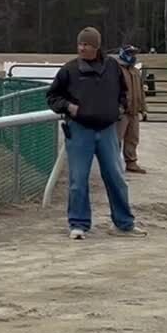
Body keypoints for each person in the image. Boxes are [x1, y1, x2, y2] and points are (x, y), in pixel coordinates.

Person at [46, 27, 145, 240]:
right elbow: (52, 97)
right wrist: (69, 107)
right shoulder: (69, 70)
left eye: (86, 44)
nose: (82, 48)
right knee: (78, 180)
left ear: (96, 46)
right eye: (80, 44)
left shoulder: (112, 67)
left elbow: (123, 92)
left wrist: (119, 108)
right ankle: (78, 224)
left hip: (108, 130)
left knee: (116, 177)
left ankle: (124, 223)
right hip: (80, 129)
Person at [117, 44, 147, 174]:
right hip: (121, 111)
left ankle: (131, 162)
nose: (133, 56)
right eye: (130, 53)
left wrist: (143, 108)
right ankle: (114, 163)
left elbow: (141, 90)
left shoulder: (135, 71)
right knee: (116, 139)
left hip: (134, 110)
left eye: (134, 53)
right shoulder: (117, 70)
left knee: (133, 138)